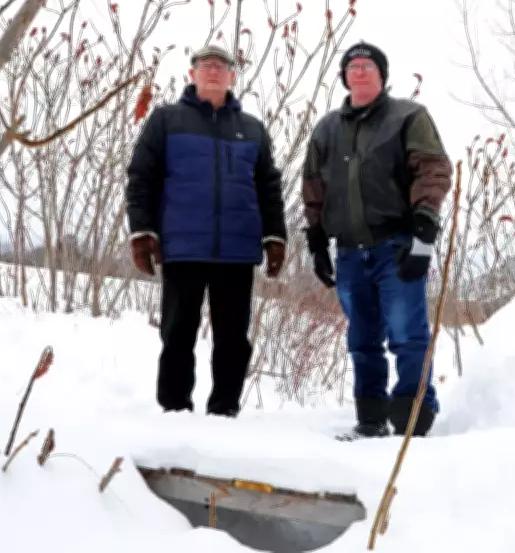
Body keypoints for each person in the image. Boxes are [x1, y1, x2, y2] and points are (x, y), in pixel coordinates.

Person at [300, 41, 453, 441]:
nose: (360, 71)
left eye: (369, 65)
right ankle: (370, 417)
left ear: (382, 74)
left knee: (406, 333)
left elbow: (433, 168)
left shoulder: (408, 116)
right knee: (362, 338)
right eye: (353, 66)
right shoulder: (327, 129)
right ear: (344, 76)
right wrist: (316, 239)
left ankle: (413, 419)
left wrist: (424, 228)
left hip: (396, 244)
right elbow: (313, 185)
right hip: (350, 252)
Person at [125, 44, 287, 418]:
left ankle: (224, 411)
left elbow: (269, 187)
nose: (213, 70)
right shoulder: (166, 120)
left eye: (221, 66)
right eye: (204, 65)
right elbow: (141, 177)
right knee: (178, 332)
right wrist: (142, 231)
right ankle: (175, 409)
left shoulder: (252, 130)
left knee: (233, 339)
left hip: (237, 250)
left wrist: (275, 236)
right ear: (192, 74)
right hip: (182, 247)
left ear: (232, 76)